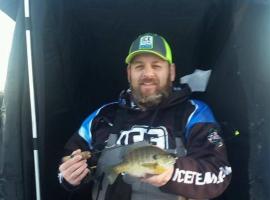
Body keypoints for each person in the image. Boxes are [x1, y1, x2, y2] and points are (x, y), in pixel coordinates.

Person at [58, 33, 232, 200]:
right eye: (139, 66)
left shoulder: (195, 113)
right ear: (129, 73)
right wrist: (69, 177)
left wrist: (173, 173)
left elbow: (219, 174)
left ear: (171, 72)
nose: (147, 74)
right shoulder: (103, 116)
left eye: (156, 66)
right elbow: (68, 161)